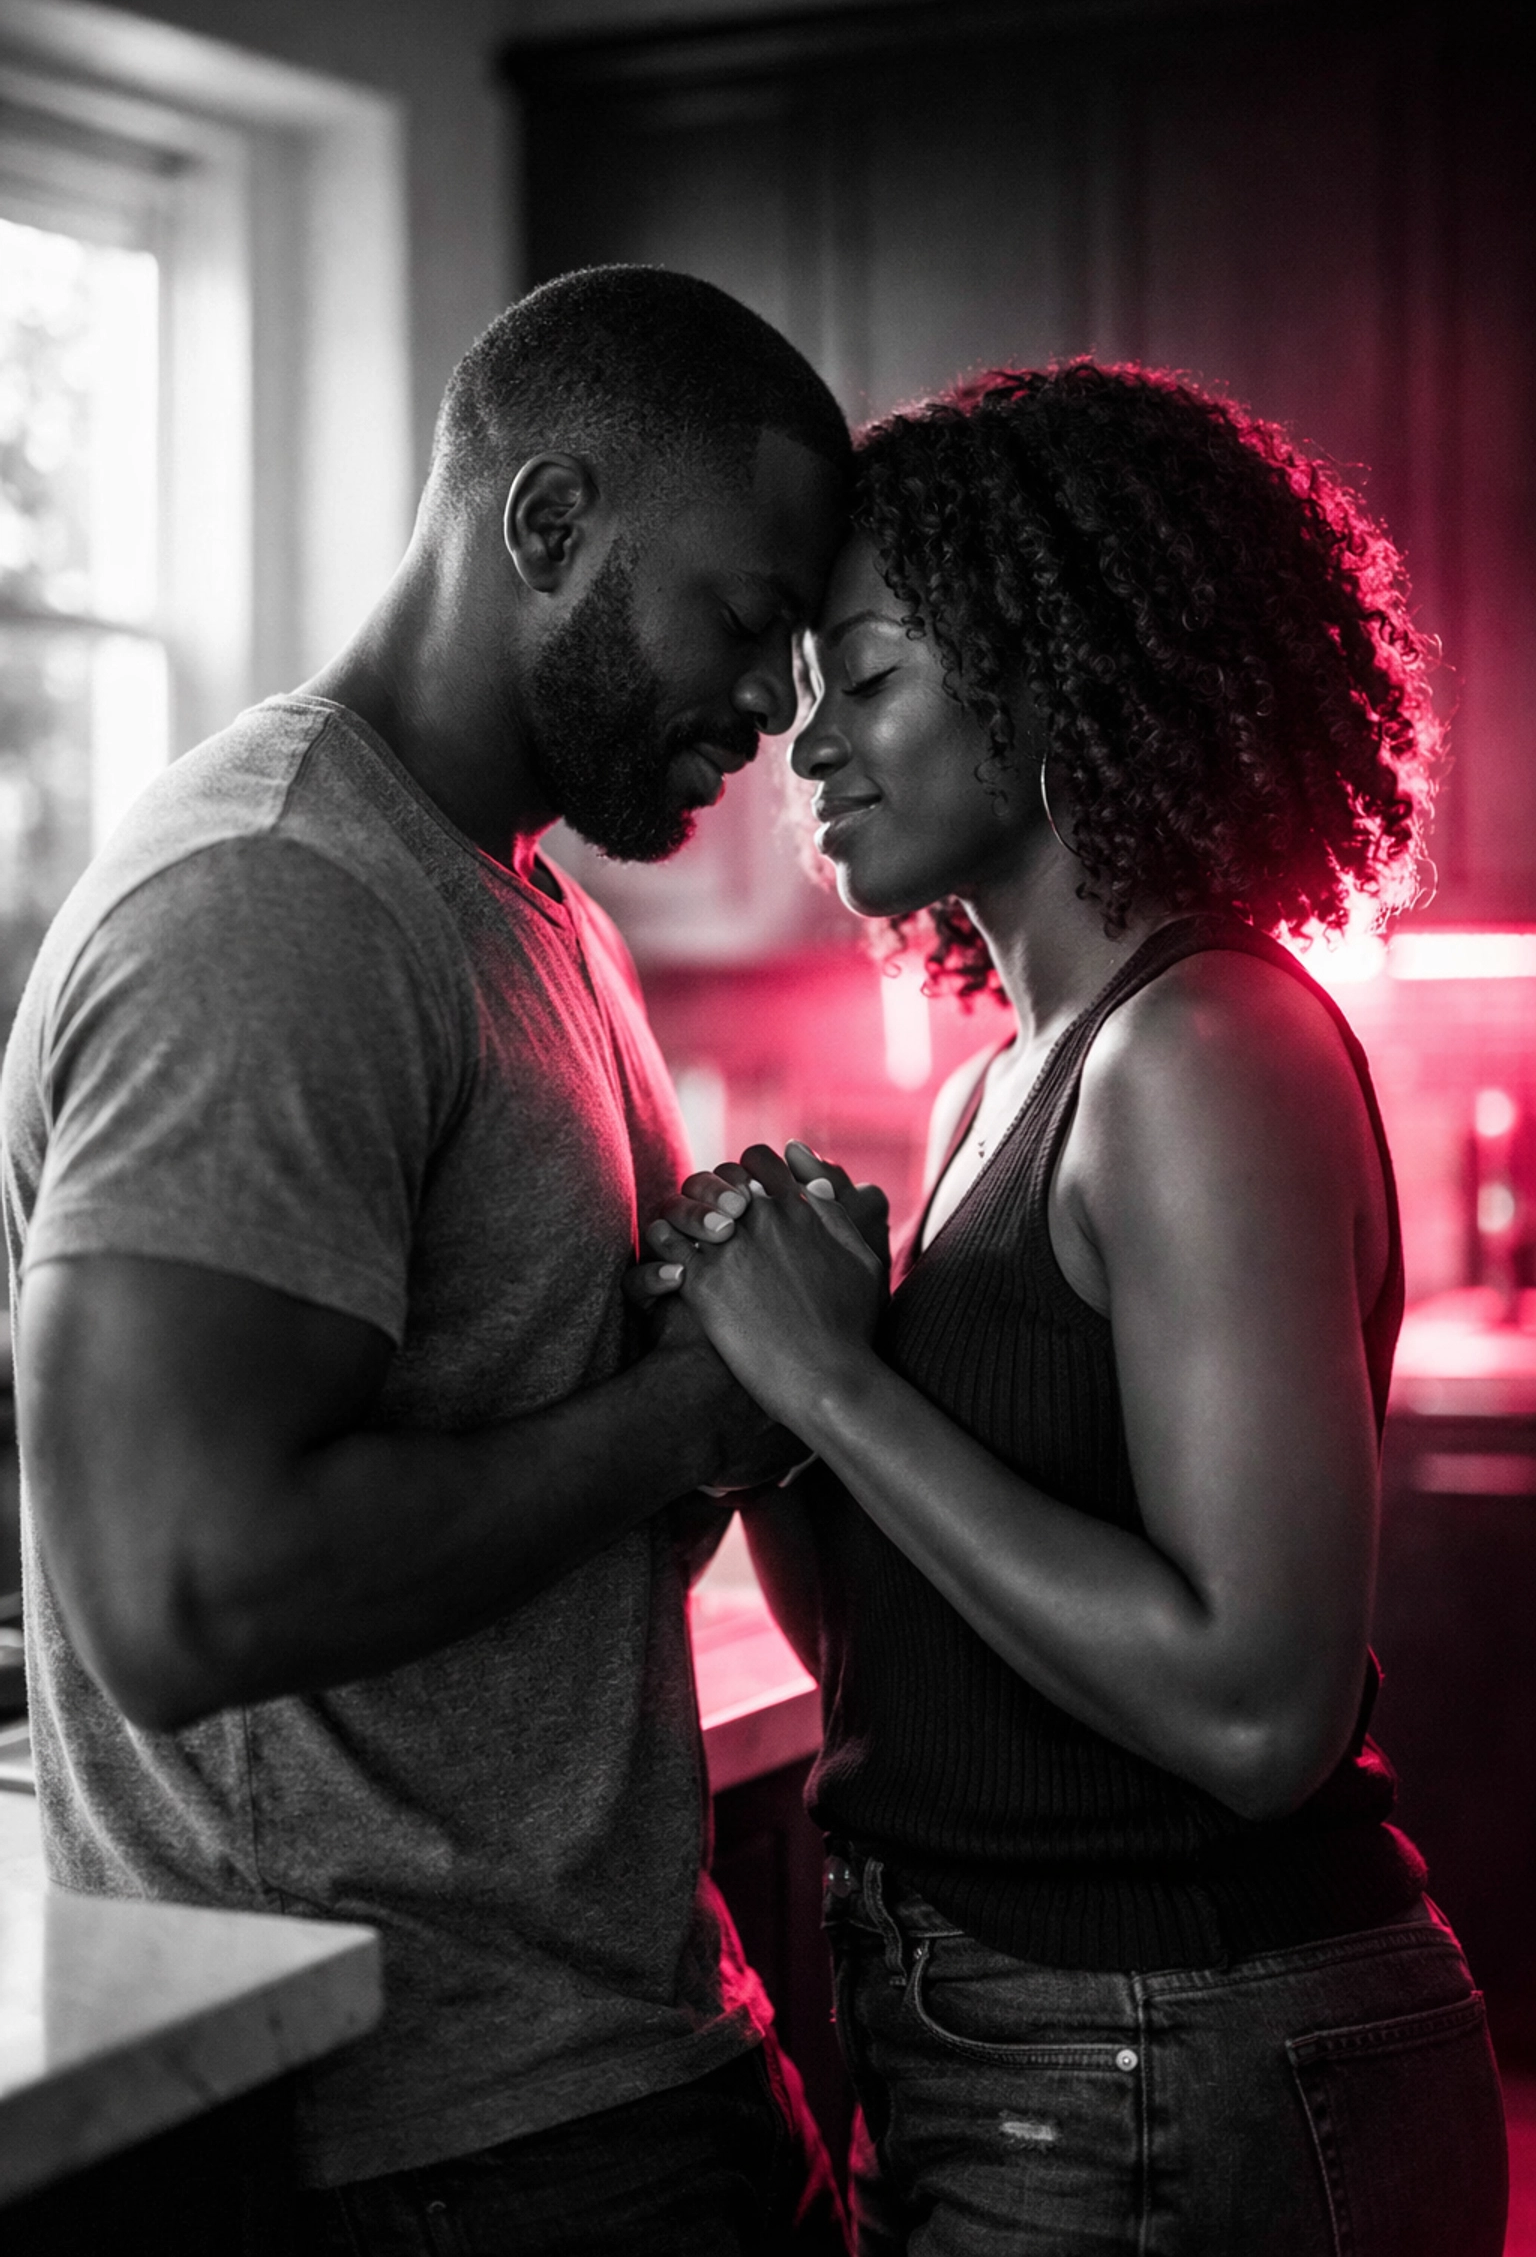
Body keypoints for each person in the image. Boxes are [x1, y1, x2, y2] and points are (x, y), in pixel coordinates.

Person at [1, 266, 854, 2254]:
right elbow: (186, 1596)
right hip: (441, 2157)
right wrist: (689, 1408)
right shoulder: (276, 906)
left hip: (601, 2068)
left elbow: (591, 1467)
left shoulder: (527, 909)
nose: (776, 705)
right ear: (548, 526)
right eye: (746, 621)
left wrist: (735, 1323)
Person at [637, 362, 1510, 2254]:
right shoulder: (989, 1093)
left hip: (1186, 2041)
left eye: (867, 679)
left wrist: (844, 1392)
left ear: (1052, 673)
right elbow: (901, 1659)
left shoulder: (1201, 1048)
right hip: (997, 2041)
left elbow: (1256, 1705)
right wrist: (783, 1391)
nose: (812, 752)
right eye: (802, 697)